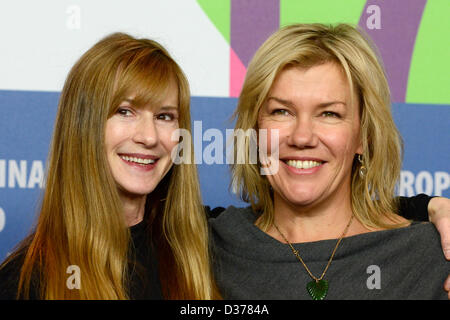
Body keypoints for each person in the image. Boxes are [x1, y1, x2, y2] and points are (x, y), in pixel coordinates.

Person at [210, 24, 449, 299]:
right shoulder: (203, 247)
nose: (302, 137)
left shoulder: (430, 257)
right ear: (254, 131)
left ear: (364, 136)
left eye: (329, 114)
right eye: (282, 111)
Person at [0, 33, 220, 299]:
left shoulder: (211, 246)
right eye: (125, 111)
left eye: (164, 116)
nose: (149, 137)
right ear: (82, 124)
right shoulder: (24, 282)